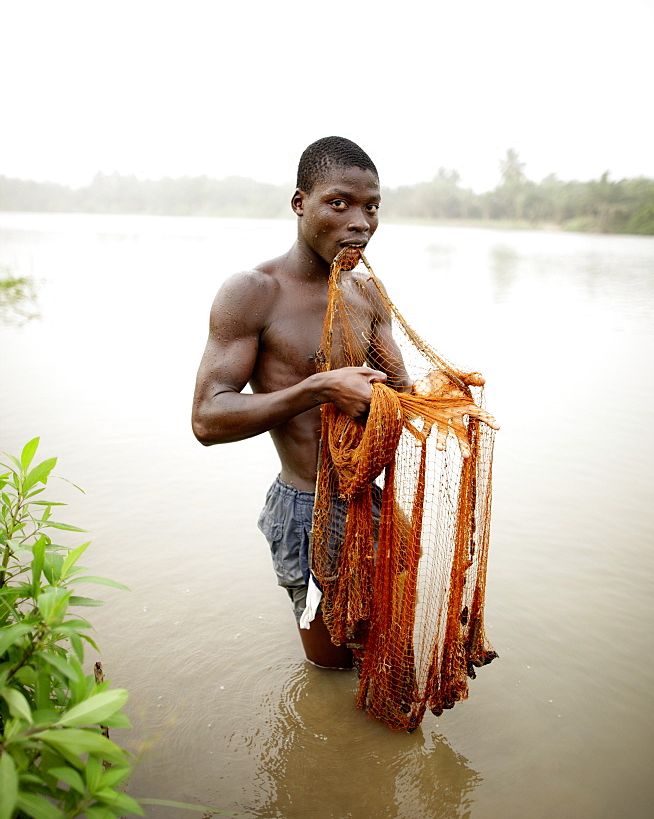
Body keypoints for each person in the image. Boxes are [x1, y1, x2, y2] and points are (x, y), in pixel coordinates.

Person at [192, 137, 498, 669]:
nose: (360, 222)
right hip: (307, 508)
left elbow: (399, 394)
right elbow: (207, 418)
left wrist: (446, 406)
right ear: (299, 203)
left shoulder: (367, 296)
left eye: (371, 207)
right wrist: (319, 386)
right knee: (330, 669)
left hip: (370, 504)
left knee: (386, 651)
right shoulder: (253, 292)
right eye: (339, 203)